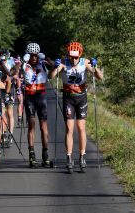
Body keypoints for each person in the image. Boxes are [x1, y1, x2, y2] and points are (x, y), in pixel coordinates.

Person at [49, 40, 103, 173]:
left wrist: (95, 67)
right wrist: (54, 67)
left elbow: (100, 77)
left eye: (76, 57)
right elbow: (50, 76)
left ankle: (82, 156)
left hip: (81, 97)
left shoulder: (84, 62)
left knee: (81, 127)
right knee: (69, 128)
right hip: (68, 98)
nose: (73, 60)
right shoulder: (63, 63)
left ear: (80, 55)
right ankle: (68, 157)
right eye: (71, 57)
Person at [14, 42, 54, 168]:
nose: (34, 58)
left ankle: (45, 156)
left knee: (43, 127)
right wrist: (19, 63)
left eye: (36, 55)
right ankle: (32, 155)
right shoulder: (24, 65)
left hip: (41, 97)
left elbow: (53, 67)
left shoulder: (43, 64)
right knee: (31, 125)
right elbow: (14, 72)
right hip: (30, 98)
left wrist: (46, 58)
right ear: (28, 55)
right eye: (32, 55)